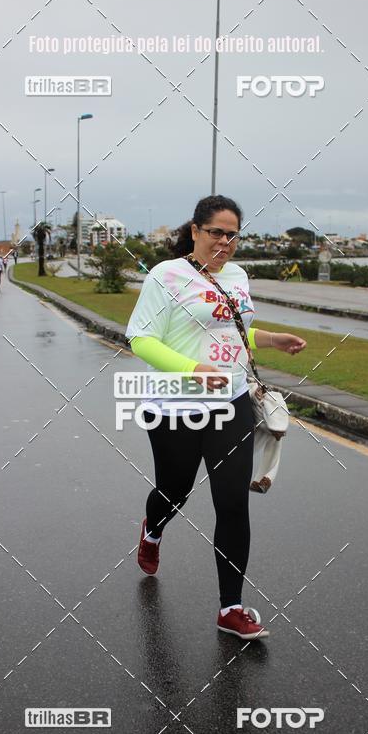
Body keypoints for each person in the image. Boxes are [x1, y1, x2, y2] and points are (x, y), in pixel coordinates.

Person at [125, 195, 307, 641]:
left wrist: (271, 338)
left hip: (231, 403)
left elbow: (233, 330)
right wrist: (192, 370)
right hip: (175, 405)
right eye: (216, 233)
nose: (224, 242)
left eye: (232, 234)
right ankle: (152, 531)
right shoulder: (167, 276)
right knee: (175, 490)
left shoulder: (238, 276)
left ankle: (231, 608)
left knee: (232, 504)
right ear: (195, 231)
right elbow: (140, 339)